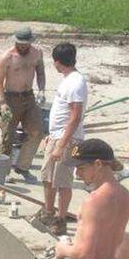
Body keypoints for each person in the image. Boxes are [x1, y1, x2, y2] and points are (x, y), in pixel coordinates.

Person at [38, 42, 87, 236]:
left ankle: (60, 219)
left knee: (62, 181)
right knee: (47, 177)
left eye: (54, 62)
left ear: (58, 62)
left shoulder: (76, 83)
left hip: (68, 140)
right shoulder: (68, 79)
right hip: (57, 136)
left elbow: (75, 117)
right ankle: (48, 212)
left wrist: (62, 144)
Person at [0, 27, 46, 183]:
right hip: (10, 98)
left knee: (37, 132)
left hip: (29, 97)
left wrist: (42, 89)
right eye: (20, 44)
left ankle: (23, 166)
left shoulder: (37, 53)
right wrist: (2, 103)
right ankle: (2, 171)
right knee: (7, 136)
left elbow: (40, 72)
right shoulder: (8, 57)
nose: (23, 47)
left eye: (26, 44)